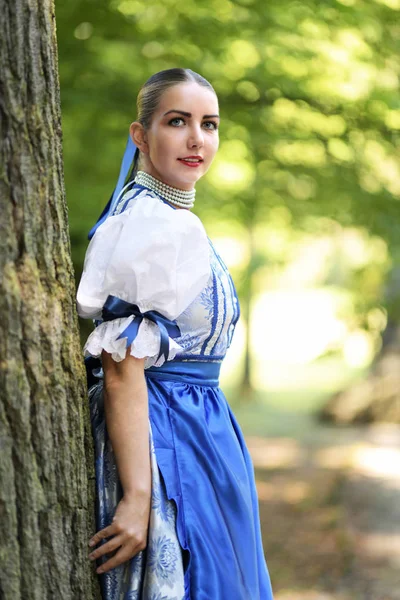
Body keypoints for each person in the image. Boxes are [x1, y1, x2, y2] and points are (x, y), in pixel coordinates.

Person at [76, 67, 274, 600]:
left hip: (200, 429)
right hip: (165, 435)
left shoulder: (168, 217)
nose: (196, 139)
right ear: (140, 135)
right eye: (177, 121)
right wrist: (138, 496)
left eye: (209, 125)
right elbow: (120, 366)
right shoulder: (153, 223)